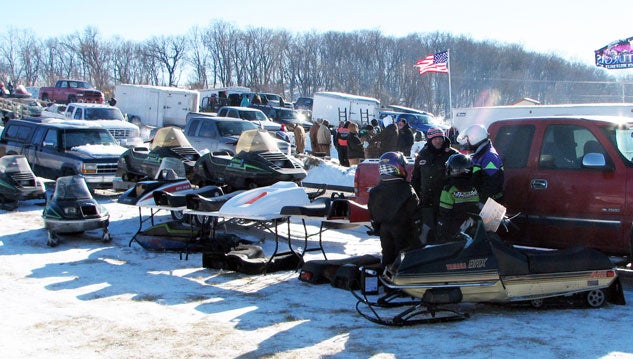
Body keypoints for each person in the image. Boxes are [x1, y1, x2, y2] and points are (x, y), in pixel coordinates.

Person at [368, 152, 421, 266]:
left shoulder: (375, 190)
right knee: (403, 257)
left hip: (384, 229)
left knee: (387, 255)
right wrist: (417, 230)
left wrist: (377, 228)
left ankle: (384, 277)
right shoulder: (406, 189)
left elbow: (372, 213)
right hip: (403, 229)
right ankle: (400, 280)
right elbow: (414, 212)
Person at [410, 127, 459, 244]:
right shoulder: (422, 155)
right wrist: (414, 197)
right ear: (429, 140)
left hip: (447, 202)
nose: (438, 141)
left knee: (444, 233)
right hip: (427, 202)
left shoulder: (452, 154)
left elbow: (462, 177)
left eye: (440, 138)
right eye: (435, 138)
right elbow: (416, 178)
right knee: (427, 233)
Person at [436, 154, 480, 244]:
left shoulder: (448, 190)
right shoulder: (475, 188)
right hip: (473, 232)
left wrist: (441, 236)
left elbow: (444, 215)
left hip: (454, 234)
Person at [458, 124, 504, 203]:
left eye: (468, 139)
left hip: (489, 203)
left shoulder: (489, 157)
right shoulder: (481, 153)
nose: (467, 142)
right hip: (483, 199)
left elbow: (491, 184)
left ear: (474, 138)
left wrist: (482, 203)